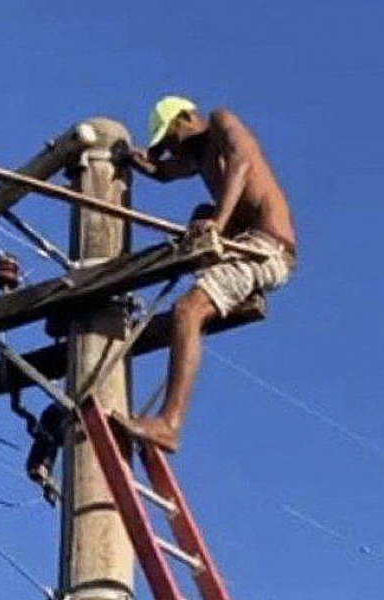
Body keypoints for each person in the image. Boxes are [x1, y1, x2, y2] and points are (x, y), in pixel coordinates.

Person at [126, 95, 298, 452]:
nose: (172, 148)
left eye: (170, 138)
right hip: (242, 245)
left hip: (266, 246)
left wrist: (218, 223)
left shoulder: (221, 122)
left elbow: (240, 164)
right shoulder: (197, 157)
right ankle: (213, 281)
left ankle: (169, 424)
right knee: (199, 213)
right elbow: (165, 173)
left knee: (187, 311)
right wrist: (141, 157)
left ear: (186, 118)